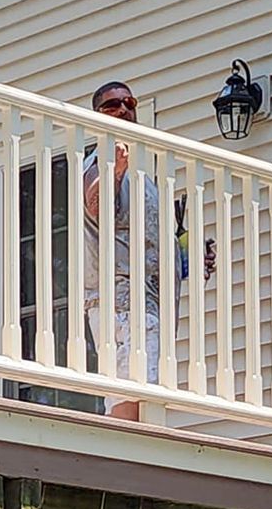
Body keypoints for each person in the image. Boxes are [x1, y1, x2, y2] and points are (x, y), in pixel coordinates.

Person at [80, 81, 212, 416]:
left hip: (150, 301)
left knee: (147, 391)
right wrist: (115, 172)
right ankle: (124, 463)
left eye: (129, 103)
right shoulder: (99, 162)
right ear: (96, 118)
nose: (123, 109)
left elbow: (154, 242)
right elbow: (95, 205)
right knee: (131, 394)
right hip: (121, 301)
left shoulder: (145, 178)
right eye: (111, 106)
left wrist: (190, 262)